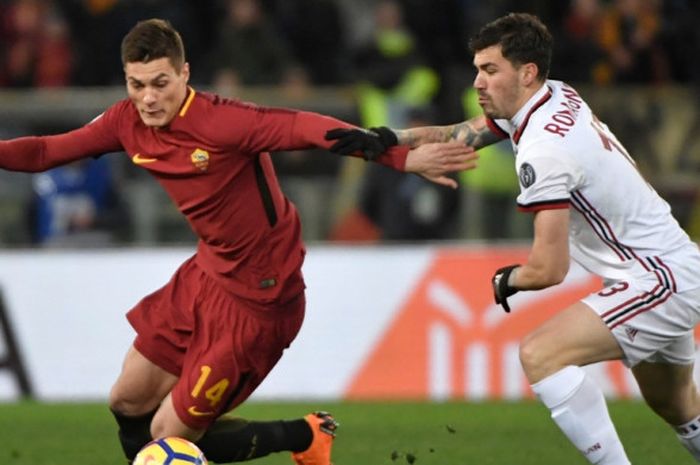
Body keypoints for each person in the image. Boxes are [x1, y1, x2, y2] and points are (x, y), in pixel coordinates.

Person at [0, 18, 477, 465]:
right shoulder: (125, 122)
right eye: (136, 84)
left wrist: (399, 158)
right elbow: (45, 150)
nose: (147, 98)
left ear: (184, 74)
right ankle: (305, 437)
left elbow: (301, 127)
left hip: (260, 301)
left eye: (160, 83)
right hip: (206, 276)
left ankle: (302, 436)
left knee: (170, 435)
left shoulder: (221, 122)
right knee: (126, 401)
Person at [326, 12, 700, 465]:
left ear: (526, 73)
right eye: (477, 70)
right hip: (670, 265)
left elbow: (549, 268)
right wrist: (384, 138)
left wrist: (511, 279)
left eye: (489, 71)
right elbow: (455, 134)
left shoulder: (544, 149)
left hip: (658, 280)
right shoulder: (556, 96)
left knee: (540, 355)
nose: (478, 83)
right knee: (678, 407)